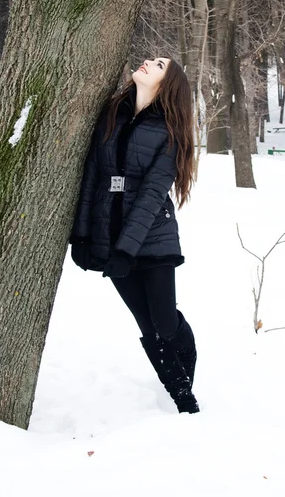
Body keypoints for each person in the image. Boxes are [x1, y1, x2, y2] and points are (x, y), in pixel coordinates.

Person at [70, 57, 199, 414]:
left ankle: (186, 371)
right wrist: (80, 237)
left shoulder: (170, 130)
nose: (148, 62)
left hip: (152, 238)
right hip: (108, 239)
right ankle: (183, 399)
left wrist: (127, 250)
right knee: (147, 326)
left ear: (167, 83)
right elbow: (91, 176)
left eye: (158, 64)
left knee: (164, 321)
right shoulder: (112, 113)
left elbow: (151, 196)